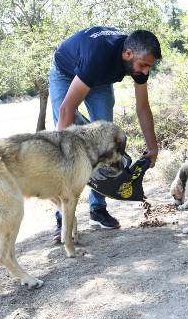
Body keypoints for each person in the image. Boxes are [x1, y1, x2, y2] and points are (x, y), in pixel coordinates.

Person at [49, 26, 160, 239]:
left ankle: (97, 210)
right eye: (143, 65)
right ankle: (63, 217)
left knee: (106, 140)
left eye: (149, 67)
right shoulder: (97, 58)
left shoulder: (138, 63)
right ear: (128, 55)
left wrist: (153, 147)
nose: (146, 71)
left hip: (99, 80)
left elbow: (143, 107)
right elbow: (66, 110)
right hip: (65, 73)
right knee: (65, 131)